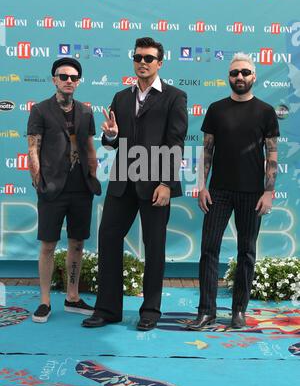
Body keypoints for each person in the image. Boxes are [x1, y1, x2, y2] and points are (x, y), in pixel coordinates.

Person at [82, 37, 188, 331]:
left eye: (149, 58)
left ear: (159, 63)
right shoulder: (121, 98)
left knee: (155, 247)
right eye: (138, 57)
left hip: (156, 183)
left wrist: (167, 183)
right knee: (107, 240)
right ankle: (107, 310)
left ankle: (150, 311)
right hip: (122, 183)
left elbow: (175, 143)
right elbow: (112, 142)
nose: (143, 62)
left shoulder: (175, 97)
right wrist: (112, 135)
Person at [187, 52, 280, 330]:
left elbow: (272, 153)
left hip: (252, 194)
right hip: (218, 192)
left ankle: (239, 309)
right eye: (234, 73)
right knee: (208, 250)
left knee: (246, 253)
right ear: (229, 77)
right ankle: (206, 311)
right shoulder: (216, 109)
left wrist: (268, 191)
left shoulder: (265, 111)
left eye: (244, 72)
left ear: (253, 76)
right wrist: (202, 186)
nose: (239, 77)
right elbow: (206, 151)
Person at [27, 57, 101, 323]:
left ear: (78, 82)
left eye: (73, 77)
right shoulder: (40, 110)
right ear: (54, 79)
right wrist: (38, 181)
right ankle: (45, 301)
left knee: (78, 243)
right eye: (63, 76)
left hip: (81, 187)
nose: (68, 80)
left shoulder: (85, 111)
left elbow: (90, 146)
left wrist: (93, 175)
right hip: (51, 188)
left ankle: (72, 295)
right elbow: (33, 147)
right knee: (48, 245)